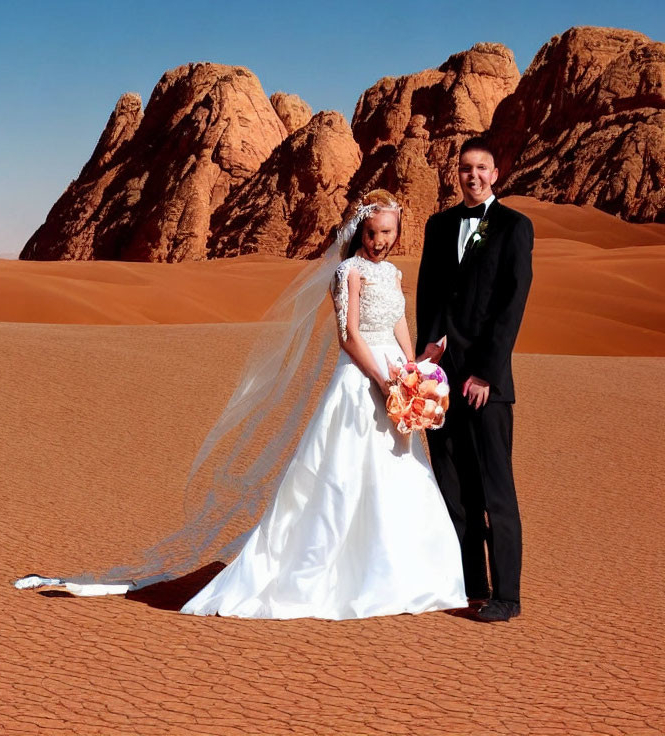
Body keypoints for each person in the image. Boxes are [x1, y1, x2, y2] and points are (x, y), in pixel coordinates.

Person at [179, 189, 467, 619]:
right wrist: (384, 378)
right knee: (344, 470)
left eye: (387, 232)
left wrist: (413, 370)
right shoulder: (348, 272)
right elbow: (348, 336)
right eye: (372, 232)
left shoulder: (391, 274)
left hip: (393, 375)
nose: (379, 241)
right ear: (360, 231)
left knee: (398, 467)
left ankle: (400, 572)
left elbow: (398, 322)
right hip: (360, 378)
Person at [415, 137, 533, 622]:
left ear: (495, 173)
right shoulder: (439, 225)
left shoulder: (513, 227)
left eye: (481, 168)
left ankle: (506, 597)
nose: (473, 176)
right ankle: (470, 584)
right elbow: (429, 293)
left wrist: (485, 370)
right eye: (465, 168)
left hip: (487, 383)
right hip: (442, 382)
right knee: (454, 488)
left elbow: (511, 303)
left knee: (494, 491)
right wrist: (427, 355)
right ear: (456, 173)